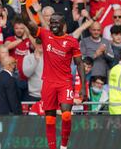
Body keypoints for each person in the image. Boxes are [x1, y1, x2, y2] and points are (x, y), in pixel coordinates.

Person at [25, 12, 86, 149]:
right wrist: (23, 6)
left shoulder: (71, 41)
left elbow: (80, 64)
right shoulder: (45, 35)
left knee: (66, 115)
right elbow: (28, 23)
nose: (53, 25)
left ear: (63, 24)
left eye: (56, 22)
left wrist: (82, 86)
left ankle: (63, 146)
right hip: (48, 83)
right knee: (50, 118)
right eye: (51, 22)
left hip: (65, 83)